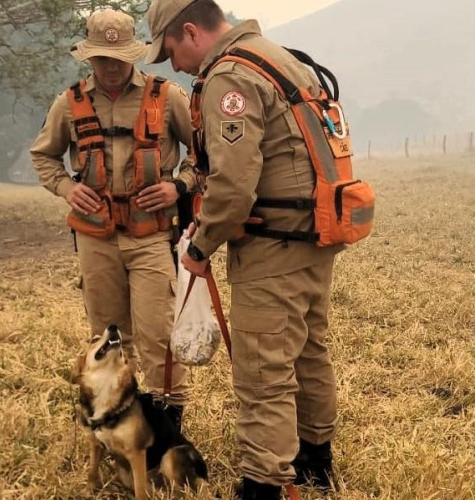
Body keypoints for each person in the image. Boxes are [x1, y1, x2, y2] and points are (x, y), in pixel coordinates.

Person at [145, 0, 343, 497]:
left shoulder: (230, 77)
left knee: (262, 370)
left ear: (190, 31)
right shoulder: (279, 57)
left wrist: (200, 245)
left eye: (169, 50)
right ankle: (315, 460)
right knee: (307, 352)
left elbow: (233, 188)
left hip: (273, 246)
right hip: (314, 235)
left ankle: (265, 481)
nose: (173, 65)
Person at [30, 9, 198, 429]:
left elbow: (205, 153)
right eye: (101, 58)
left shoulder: (167, 96)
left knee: (159, 334)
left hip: (151, 235)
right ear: (89, 58)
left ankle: (165, 425)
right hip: (96, 238)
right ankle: (113, 421)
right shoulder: (68, 104)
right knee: (107, 337)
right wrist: (69, 189)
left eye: (118, 57)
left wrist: (177, 187)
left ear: (133, 55)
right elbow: (43, 156)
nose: (109, 67)